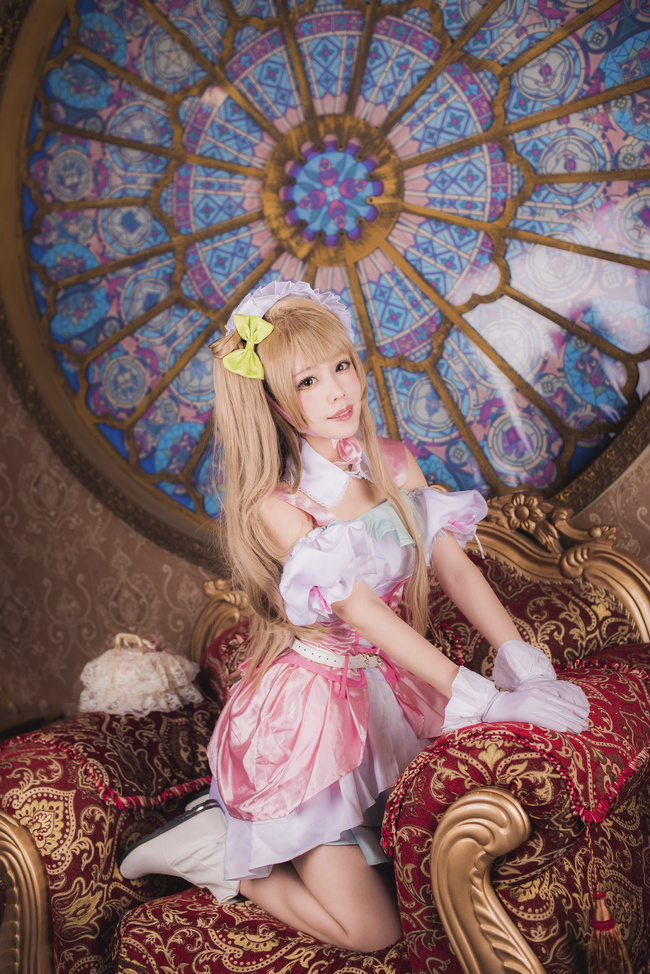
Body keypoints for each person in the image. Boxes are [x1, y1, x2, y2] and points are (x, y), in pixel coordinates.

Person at [121, 280, 589, 952]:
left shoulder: (394, 462)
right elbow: (365, 615)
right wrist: (487, 701)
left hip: (394, 698)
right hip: (310, 725)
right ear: (274, 402)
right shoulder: (281, 506)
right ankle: (218, 852)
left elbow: (453, 567)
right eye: (308, 381)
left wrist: (519, 657)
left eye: (342, 366)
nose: (338, 392)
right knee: (373, 932)